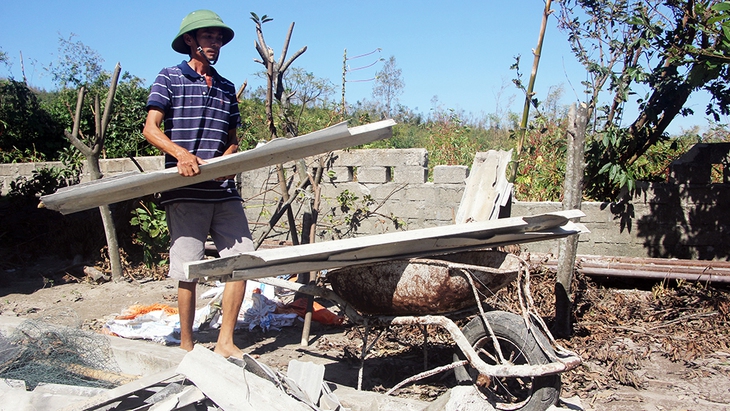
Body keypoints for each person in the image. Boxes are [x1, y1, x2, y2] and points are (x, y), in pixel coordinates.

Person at [142, 9, 251, 358]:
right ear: (190, 41)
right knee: (188, 270)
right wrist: (181, 155)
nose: (214, 43)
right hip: (185, 191)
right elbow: (150, 129)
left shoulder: (226, 87)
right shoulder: (169, 78)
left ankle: (225, 342)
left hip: (222, 191)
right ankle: (187, 346)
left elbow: (233, 139)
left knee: (243, 260)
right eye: (207, 37)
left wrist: (229, 161)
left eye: (218, 38)